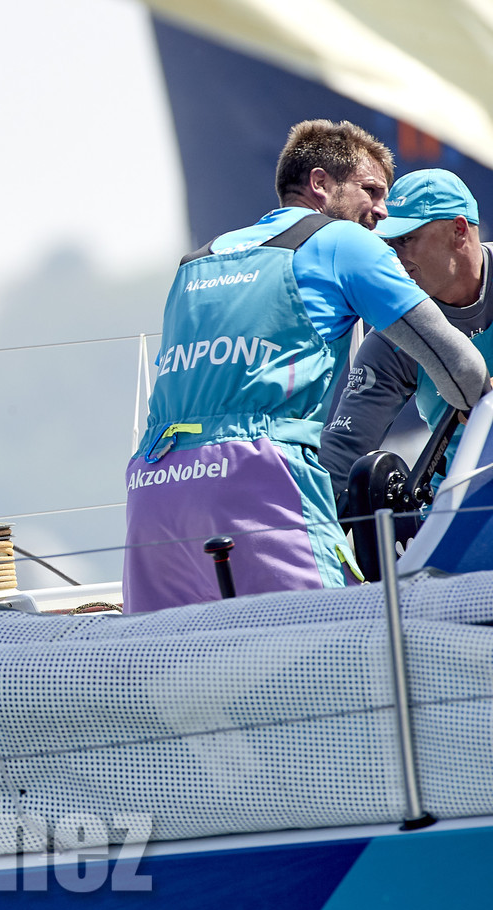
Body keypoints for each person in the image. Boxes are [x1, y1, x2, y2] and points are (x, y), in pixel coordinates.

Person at [123, 120, 492, 612]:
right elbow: (464, 374)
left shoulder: (198, 260)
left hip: (153, 487)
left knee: (170, 670)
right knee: (334, 654)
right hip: (257, 479)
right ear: (320, 184)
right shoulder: (342, 241)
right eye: (372, 191)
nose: (381, 217)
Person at [321, 169, 493, 507]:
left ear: (459, 231)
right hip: (462, 513)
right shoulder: (393, 334)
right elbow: (341, 457)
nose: (393, 258)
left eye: (406, 240)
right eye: (386, 243)